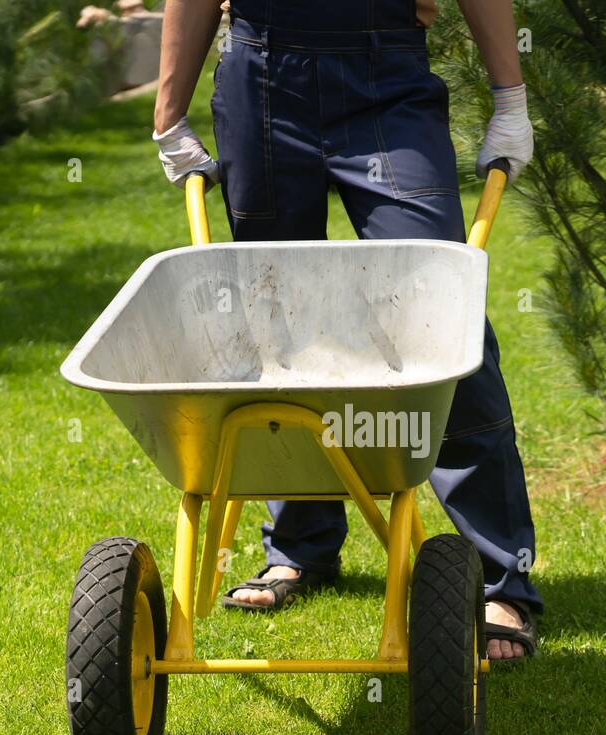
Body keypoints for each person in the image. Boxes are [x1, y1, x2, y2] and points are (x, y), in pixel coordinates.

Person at [152, 0, 542, 660]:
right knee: (276, 318)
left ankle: (500, 577)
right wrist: (168, 113)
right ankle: (300, 547)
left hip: (386, 68)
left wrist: (511, 97)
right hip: (263, 68)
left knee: (440, 314)